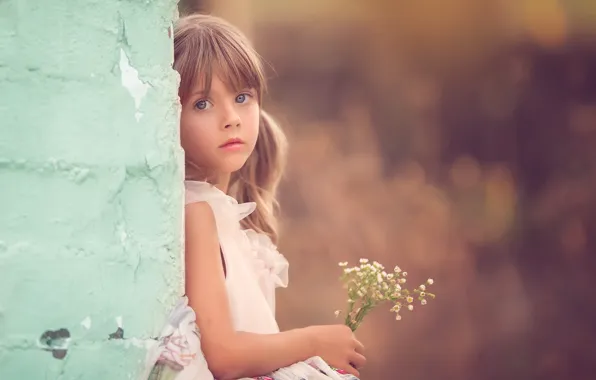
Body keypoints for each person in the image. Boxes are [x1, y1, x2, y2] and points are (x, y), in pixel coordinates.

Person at [143, 14, 366, 380]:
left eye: (242, 97)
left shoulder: (224, 214)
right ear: (170, 115)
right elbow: (224, 356)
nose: (230, 118)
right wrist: (313, 342)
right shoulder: (195, 212)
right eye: (202, 104)